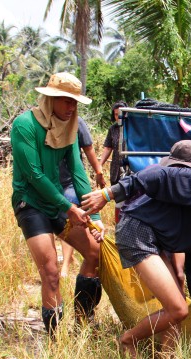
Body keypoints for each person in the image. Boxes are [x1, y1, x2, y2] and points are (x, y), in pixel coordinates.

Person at [81, 140, 191, 359]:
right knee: (178, 309)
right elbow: (155, 175)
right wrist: (108, 194)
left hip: (153, 238)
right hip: (137, 234)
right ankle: (128, 339)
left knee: (178, 298)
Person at [11, 72, 104, 335]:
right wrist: (69, 207)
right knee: (51, 272)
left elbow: (77, 171)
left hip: (58, 204)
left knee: (95, 253)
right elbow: (34, 175)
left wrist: (93, 215)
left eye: (75, 102)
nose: (71, 107)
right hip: (31, 204)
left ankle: (84, 323)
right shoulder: (24, 125)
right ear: (50, 99)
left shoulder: (70, 125)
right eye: (66, 101)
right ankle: (55, 338)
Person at [59, 116, 105, 279]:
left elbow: (88, 149)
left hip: (70, 184)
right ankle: (66, 261)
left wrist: (99, 172)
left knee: (71, 221)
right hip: (47, 188)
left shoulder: (76, 123)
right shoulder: (34, 125)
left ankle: (65, 264)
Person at [99, 101, 128, 223]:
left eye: (121, 114)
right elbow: (108, 148)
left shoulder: (133, 128)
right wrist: (99, 166)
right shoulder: (113, 129)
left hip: (130, 169)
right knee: (118, 200)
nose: (119, 117)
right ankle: (119, 225)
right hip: (116, 169)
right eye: (116, 114)